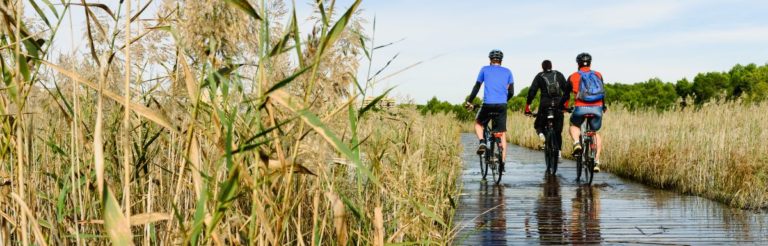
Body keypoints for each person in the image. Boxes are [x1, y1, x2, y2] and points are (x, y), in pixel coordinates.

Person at [464, 49, 514, 172]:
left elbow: (477, 86)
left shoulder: (484, 69)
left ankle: (482, 141)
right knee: (501, 133)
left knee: (478, 123)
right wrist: (504, 100)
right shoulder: (508, 72)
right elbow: (511, 92)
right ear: (501, 61)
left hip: (488, 104)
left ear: (490, 60)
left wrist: (469, 101)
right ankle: (502, 163)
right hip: (502, 105)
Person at [566, 52, 607, 172]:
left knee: (574, 125)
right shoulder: (598, 75)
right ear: (590, 63)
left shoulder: (573, 76)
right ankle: (596, 161)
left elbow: (565, 95)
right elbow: (602, 92)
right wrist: (603, 106)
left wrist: (563, 106)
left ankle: (577, 143)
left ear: (578, 64)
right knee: (594, 132)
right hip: (597, 108)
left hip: (580, 108)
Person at [524, 60, 569, 162]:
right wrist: (565, 106)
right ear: (551, 66)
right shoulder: (558, 74)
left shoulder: (539, 76)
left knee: (538, 125)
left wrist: (528, 106)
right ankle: (559, 154)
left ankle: (542, 136)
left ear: (542, 67)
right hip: (558, 104)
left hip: (545, 104)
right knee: (558, 131)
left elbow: (532, 91)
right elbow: (566, 90)